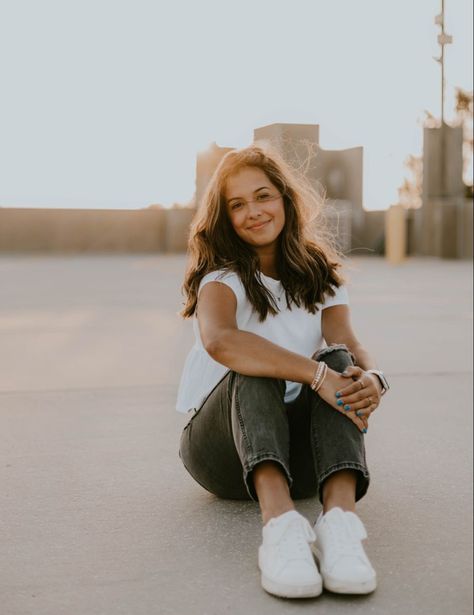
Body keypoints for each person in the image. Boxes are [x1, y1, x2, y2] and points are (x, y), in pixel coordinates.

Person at [176, 143, 390, 599]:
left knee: (339, 362)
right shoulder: (221, 279)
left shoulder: (321, 275)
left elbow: (348, 344)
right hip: (222, 456)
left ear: (285, 200)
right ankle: (280, 529)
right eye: (237, 204)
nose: (253, 211)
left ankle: (340, 525)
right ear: (224, 217)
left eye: (263, 196)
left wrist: (372, 378)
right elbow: (222, 342)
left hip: (299, 458)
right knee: (256, 362)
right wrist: (314, 377)